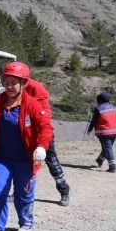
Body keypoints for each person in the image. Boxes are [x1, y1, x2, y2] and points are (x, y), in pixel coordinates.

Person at [0, 62, 53, 231]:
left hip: (25, 159)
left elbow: (45, 128)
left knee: (23, 194)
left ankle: (26, 222)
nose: (9, 86)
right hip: (2, 158)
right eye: (6, 82)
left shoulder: (32, 104)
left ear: (23, 84)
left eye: (13, 83)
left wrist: (41, 147)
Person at [23, 76, 72, 206]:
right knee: (22, 164)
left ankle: (64, 191)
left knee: (52, 162)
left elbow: (44, 116)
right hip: (25, 132)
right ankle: (20, 191)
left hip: (41, 133)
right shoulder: (17, 88)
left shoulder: (35, 88)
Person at [87, 92, 116, 173]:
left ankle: (112, 166)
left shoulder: (98, 108)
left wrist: (89, 129)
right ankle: (100, 160)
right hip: (115, 130)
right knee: (107, 148)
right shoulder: (114, 107)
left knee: (108, 148)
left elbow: (94, 121)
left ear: (99, 100)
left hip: (104, 132)